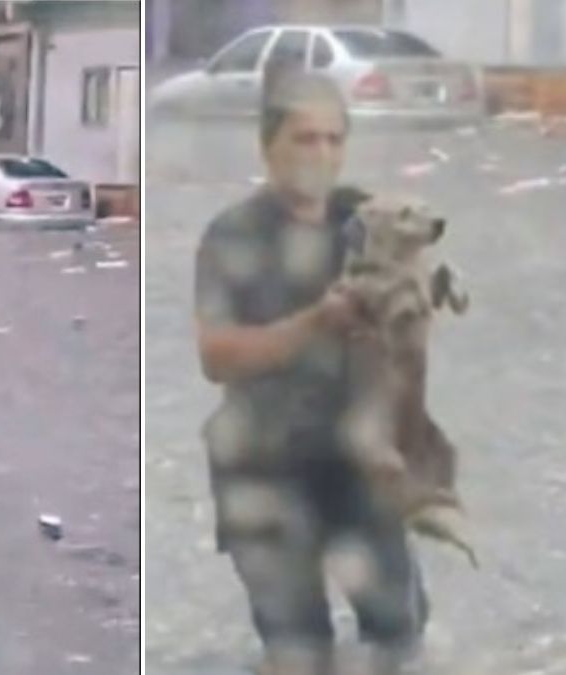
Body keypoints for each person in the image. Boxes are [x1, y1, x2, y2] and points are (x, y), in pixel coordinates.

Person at [194, 67, 429, 674]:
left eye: (333, 138)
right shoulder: (232, 235)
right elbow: (216, 357)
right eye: (304, 138)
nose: (320, 154)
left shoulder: (364, 220)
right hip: (262, 466)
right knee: (298, 651)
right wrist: (316, 322)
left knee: (399, 634)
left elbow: (407, 335)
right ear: (268, 145)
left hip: (354, 458)